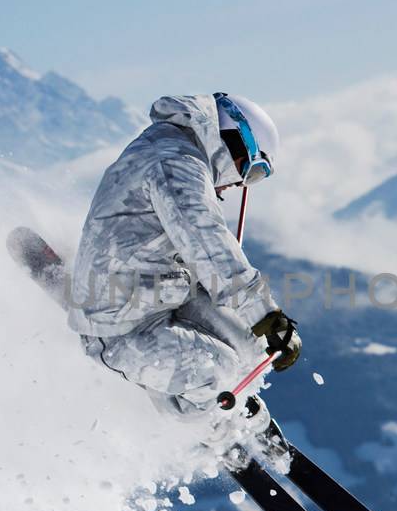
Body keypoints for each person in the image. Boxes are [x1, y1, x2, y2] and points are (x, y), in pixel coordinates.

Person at [66, 92, 301, 427]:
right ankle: (208, 437)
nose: (240, 183)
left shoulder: (178, 151)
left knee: (248, 346)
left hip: (155, 294)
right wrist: (267, 316)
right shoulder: (175, 165)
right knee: (214, 371)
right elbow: (207, 243)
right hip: (120, 326)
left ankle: (226, 411)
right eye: (251, 170)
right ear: (235, 140)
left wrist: (259, 324)